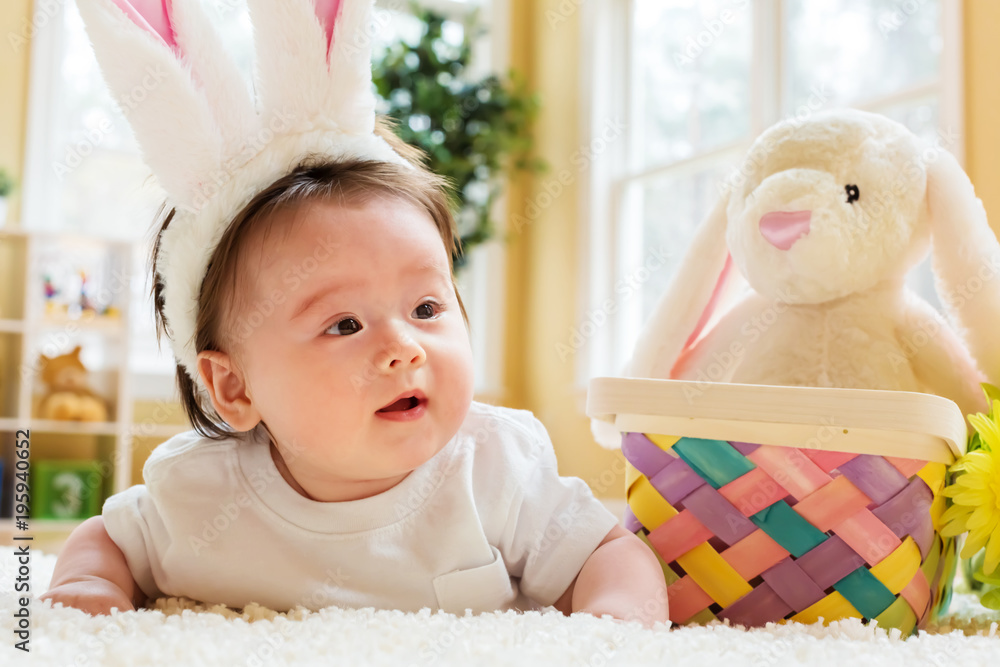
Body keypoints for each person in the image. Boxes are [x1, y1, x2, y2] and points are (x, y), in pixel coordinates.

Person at [40, 0, 668, 625]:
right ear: (232, 385)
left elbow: (609, 555)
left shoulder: (495, 469)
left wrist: (613, 617)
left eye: (426, 307)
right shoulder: (201, 494)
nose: (404, 346)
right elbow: (109, 540)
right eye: (345, 324)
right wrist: (90, 583)